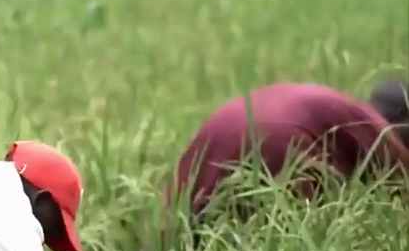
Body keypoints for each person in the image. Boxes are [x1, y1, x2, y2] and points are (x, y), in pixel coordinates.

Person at [167, 80, 409, 220]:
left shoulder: (343, 108)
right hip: (277, 138)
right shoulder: (377, 130)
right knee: (290, 240)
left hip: (223, 125)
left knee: (191, 225)